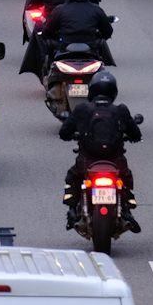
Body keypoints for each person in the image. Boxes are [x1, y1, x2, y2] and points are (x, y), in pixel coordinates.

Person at [59, 69, 140, 231]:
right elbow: (136, 134)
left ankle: (72, 210)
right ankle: (127, 208)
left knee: (72, 178)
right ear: (113, 91)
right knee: (127, 178)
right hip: (115, 160)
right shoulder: (120, 110)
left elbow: (64, 132)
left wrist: (72, 134)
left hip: (87, 160)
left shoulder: (82, 109)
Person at [41, 0, 115, 66]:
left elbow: (47, 31)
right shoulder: (96, 9)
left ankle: (46, 68)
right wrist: (98, 36)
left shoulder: (59, 10)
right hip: (91, 46)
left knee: (48, 43)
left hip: (64, 46)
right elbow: (108, 31)